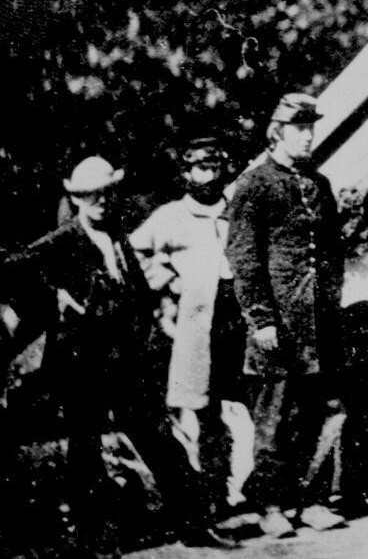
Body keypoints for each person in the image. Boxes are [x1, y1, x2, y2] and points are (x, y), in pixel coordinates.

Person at [0, 157, 173, 557]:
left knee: (155, 437)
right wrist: (52, 297)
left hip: (125, 360)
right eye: (90, 195)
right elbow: (11, 273)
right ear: (76, 199)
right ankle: (93, 541)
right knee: (85, 453)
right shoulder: (60, 241)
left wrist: (143, 325)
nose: (101, 201)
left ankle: (191, 522)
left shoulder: (117, 236)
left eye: (107, 193)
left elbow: (138, 291)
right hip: (81, 365)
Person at [226, 93, 347, 538]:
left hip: (320, 324)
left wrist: (331, 302)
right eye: (300, 128)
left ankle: (313, 501)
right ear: (277, 132)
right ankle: (272, 506)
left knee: (323, 411)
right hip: (278, 326)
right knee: (274, 417)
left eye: (312, 126)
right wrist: (262, 320)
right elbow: (243, 257)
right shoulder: (255, 184)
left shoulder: (320, 185)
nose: (309, 135)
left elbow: (334, 253)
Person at [129, 138, 249, 531]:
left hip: (239, 320)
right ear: (186, 173)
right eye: (200, 167)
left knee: (255, 405)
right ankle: (213, 498)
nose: (209, 175)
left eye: (216, 167)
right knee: (206, 411)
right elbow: (136, 251)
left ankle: (257, 492)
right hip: (197, 326)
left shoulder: (237, 210)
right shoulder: (170, 217)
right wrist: (168, 282)